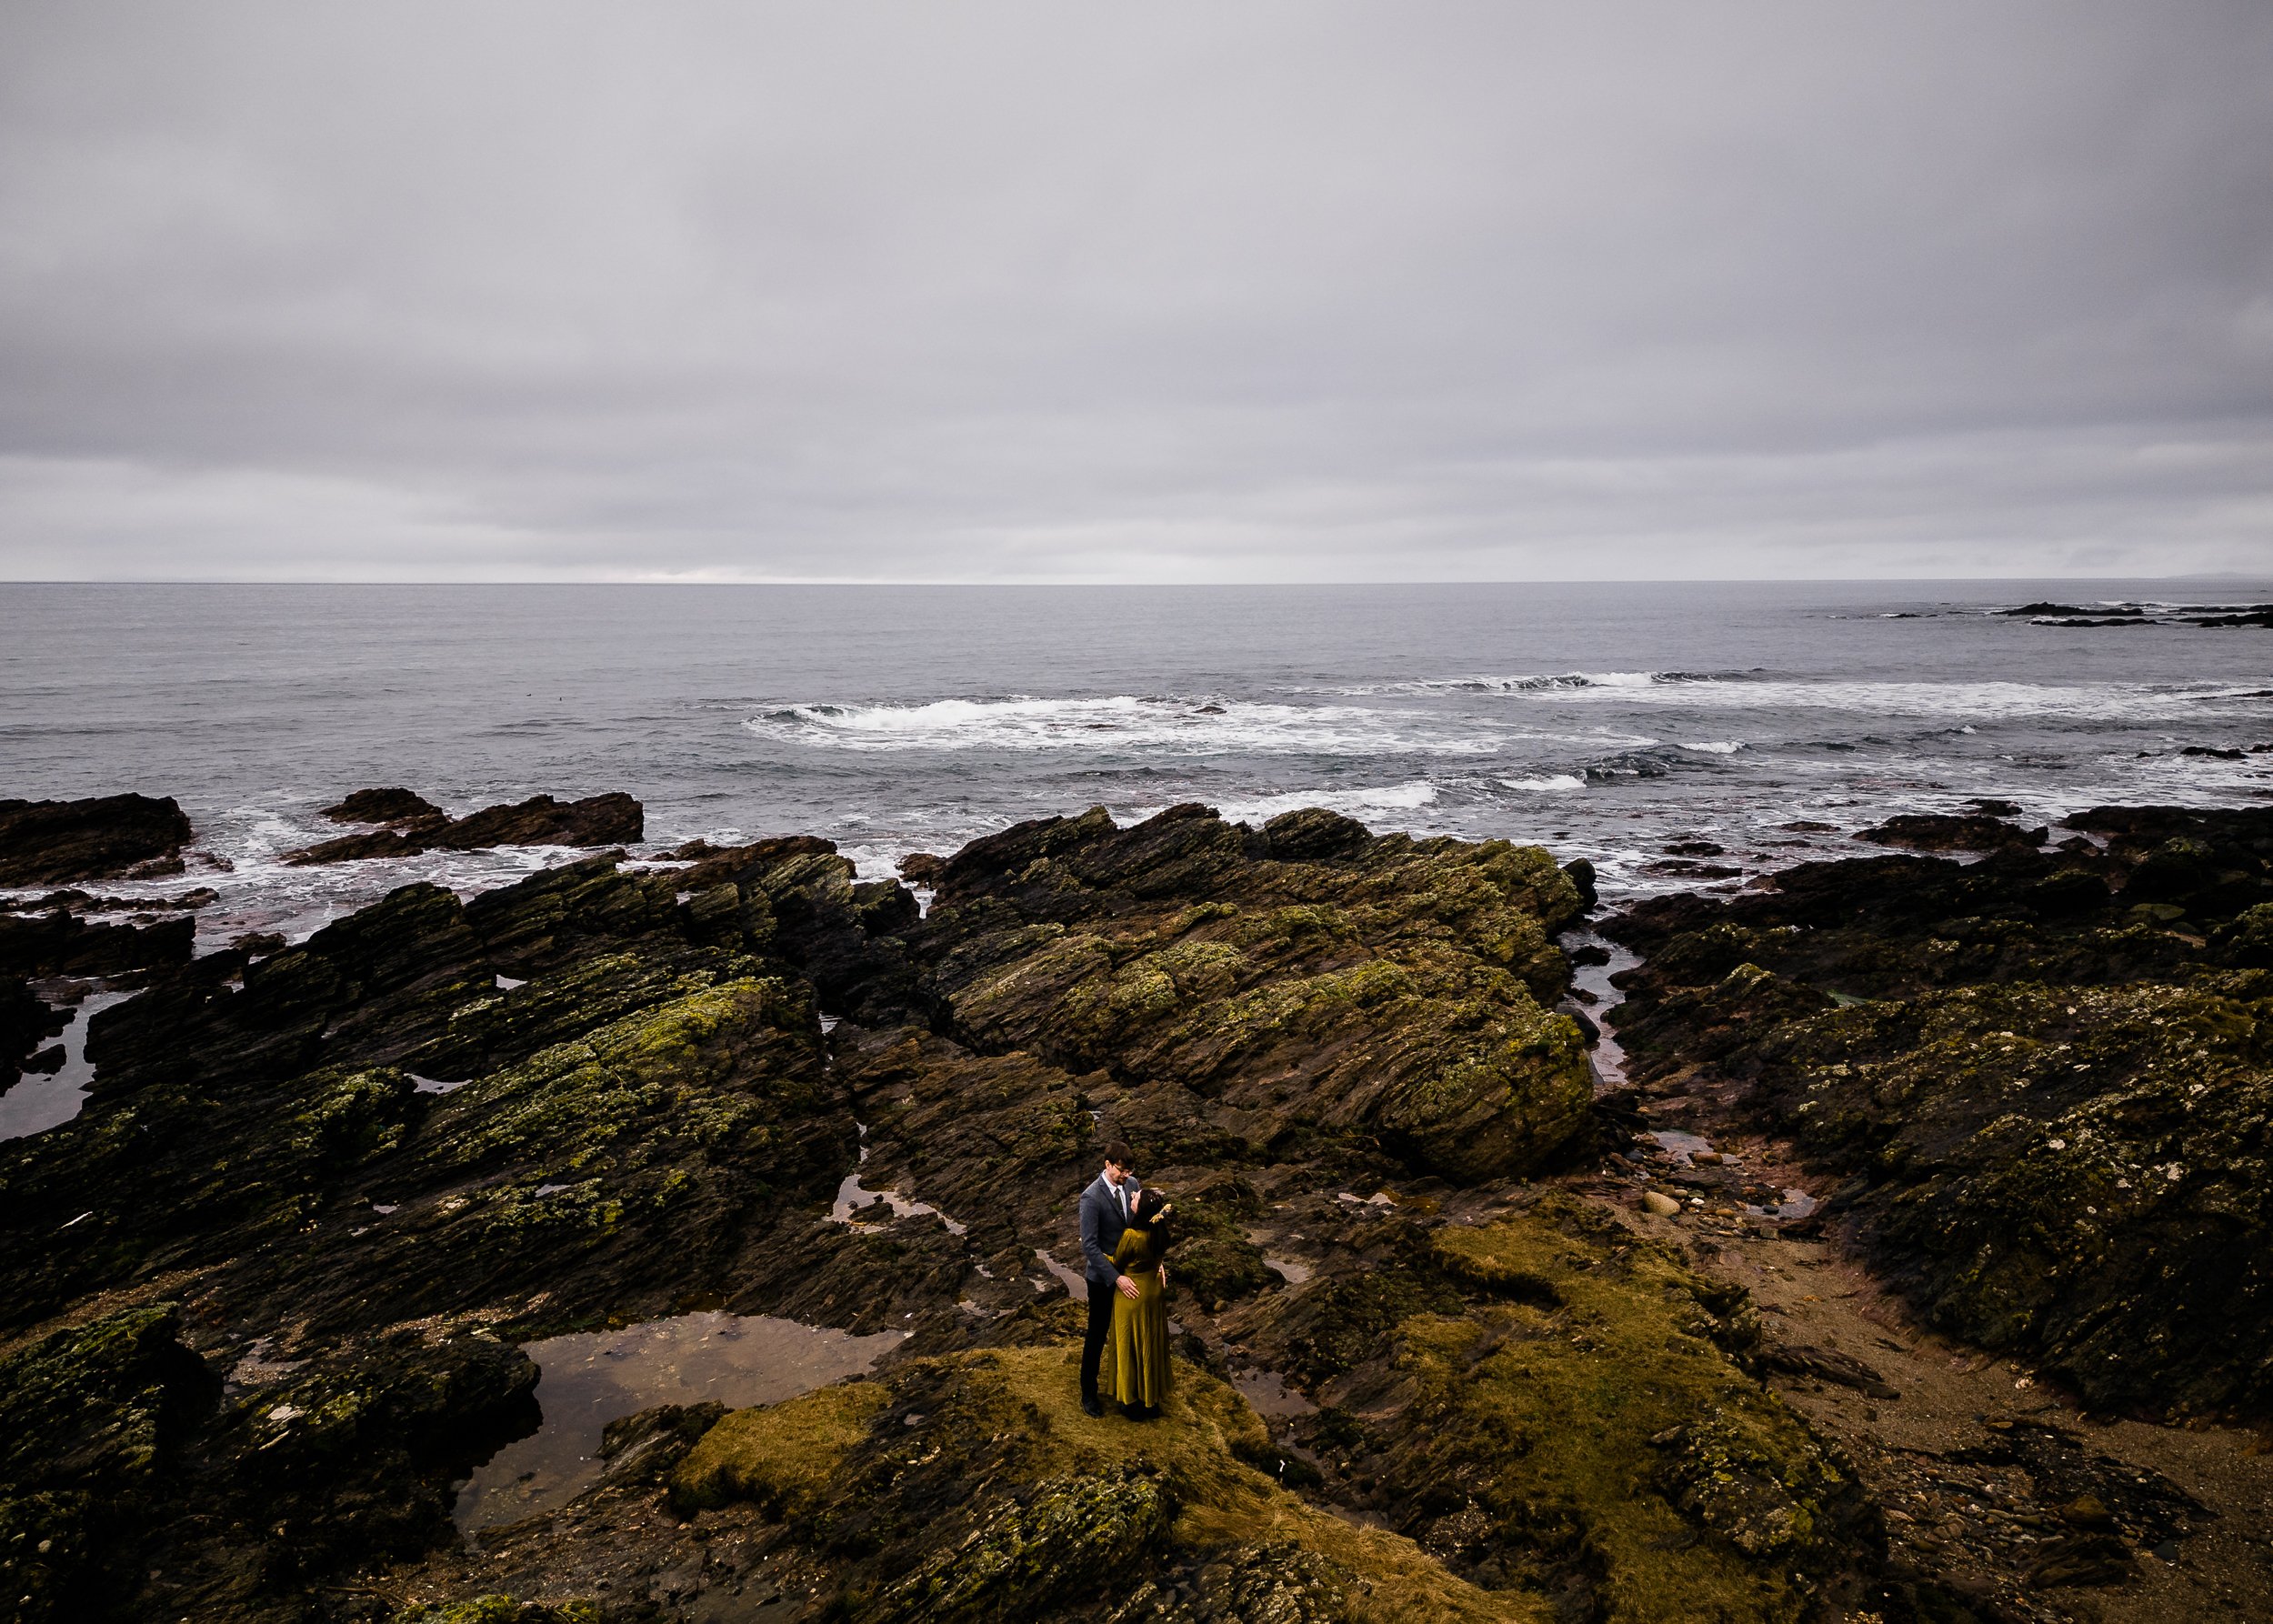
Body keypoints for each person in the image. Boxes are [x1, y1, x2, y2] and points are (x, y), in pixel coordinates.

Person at [1077, 1141, 1142, 1417]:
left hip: (1130, 1274)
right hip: (1103, 1280)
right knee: (1097, 1334)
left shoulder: (1133, 1183)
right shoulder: (1091, 1198)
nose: (1126, 1176)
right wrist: (1116, 1278)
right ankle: (1088, 1394)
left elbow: (1139, 1226)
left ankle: (1128, 1391)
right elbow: (1089, 1247)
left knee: (1127, 1334)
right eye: (1121, 1170)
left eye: (1129, 1171)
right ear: (1107, 1165)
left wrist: (1153, 1263)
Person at [1108, 1188, 1175, 1419]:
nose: (1133, 1194)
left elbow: (1117, 1261)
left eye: (1136, 1197)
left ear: (1141, 1209)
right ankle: (1151, 1398)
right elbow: (1156, 1259)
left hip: (1132, 1294)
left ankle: (1131, 1401)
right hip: (1153, 1291)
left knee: (1129, 1343)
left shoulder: (1132, 1236)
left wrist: (1097, 1252)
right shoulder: (1161, 1233)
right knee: (1150, 1342)